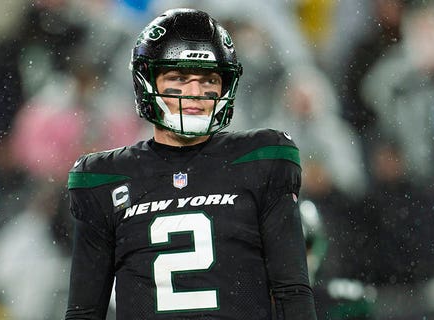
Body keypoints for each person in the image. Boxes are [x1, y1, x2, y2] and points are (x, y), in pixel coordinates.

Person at [65, 8, 317, 320]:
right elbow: (85, 311)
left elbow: (292, 292)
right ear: (148, 81)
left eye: (209, 79)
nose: (195, 93)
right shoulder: (104, 179)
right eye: (179, 78)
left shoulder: (261, 160)